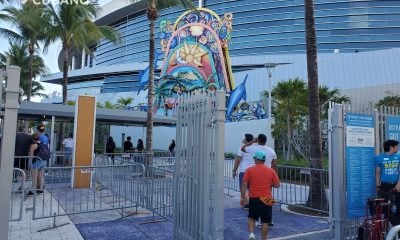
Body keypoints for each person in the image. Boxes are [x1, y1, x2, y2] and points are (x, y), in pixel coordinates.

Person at [241, 151, 280, 240]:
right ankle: (264, 239)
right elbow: (277, 185)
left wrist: (242, 197)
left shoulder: (249, 170)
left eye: (254, 158)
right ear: (263, 160)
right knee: (265, 221)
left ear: (256, 159)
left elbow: (244, 184)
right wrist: (270, 184)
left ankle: (251, 234)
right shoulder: (271, 171)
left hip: (254, 198)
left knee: (251, 218)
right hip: (267, 199)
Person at [241, 133, 278, 226]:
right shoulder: (271, 151)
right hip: (268, 177)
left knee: (255, 197)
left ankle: (257, 220)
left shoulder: (253, 148)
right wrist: (274, 176)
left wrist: (253, 141)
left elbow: (242, 148)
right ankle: (268, 220)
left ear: (258, 140)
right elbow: (275, 164)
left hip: (256, 175)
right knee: (267, 197)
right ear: (265, 141)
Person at [376, 139, 400, 219]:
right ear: (391, 147)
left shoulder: (398, 157)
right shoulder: (379, 158)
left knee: (397, 207)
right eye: (396, 146)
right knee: (386, 208)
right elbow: (378, 172)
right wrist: (378, 185)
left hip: (396, 185)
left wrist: (398, 184)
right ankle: (387, 229)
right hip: (385, 186)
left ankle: (396, 228)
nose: (397, 148)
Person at [233, 133, 254, 208]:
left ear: (246, 139)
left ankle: (250, 204)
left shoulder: (241, 148)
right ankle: (249, 203)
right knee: (251, 188)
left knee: (243, 188)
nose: (243, 139)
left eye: (244, 138)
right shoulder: (254, 148)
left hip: (244, 171)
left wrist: (234, 170)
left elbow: (237, 161)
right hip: (253, 171)